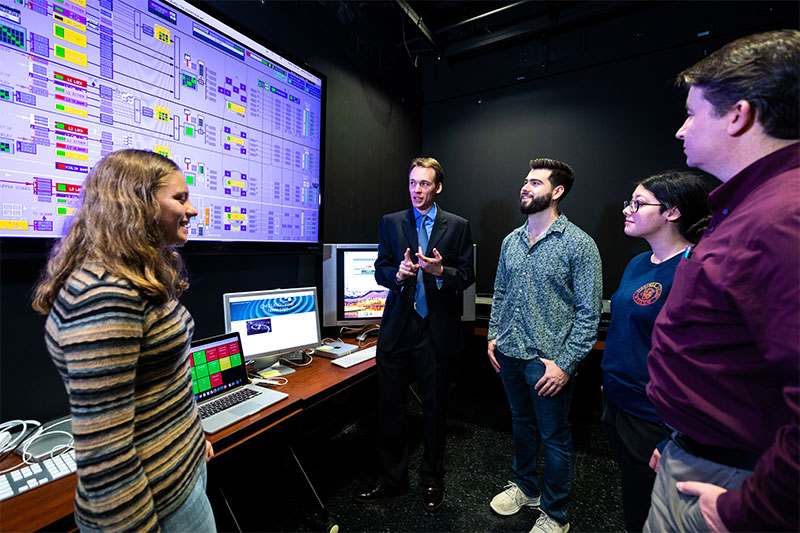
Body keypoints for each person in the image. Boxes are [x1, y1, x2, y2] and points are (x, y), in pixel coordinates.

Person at [644, 29, 799, 532]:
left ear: (738, 114)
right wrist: (681, 440)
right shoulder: (752, 207)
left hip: (733, 481)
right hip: (699, 453)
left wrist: (750, 508)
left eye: (692, 113)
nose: (680, 130)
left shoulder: (782, 219)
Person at [31, 149, 216, 532]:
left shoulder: (133, 275)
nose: (192, 209)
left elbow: (158, 385)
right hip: (154, 504)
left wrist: (192, 439)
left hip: (179, 474)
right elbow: (105, 451)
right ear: (139, 204)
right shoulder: (102, 294)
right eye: (180, 198)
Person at [353, 157, 475, 512]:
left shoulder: (457, 226)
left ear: (438, 187)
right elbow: (380, 269)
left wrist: (440, 272)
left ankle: (432, 477)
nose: (416, 190)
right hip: (397, 328)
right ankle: (393, 478)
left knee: (434, 409)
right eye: (412, 183)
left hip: (435, 329)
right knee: (389, 408)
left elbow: (466, 274)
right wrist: (398, 273)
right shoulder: (392, 223)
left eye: (424, 184)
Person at [488, 158, 602, 533]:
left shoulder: (579, 245)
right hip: (509, 353)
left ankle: (555, 514)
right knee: (521, 424)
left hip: (548, 362)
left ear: (557, 192)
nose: (525, 186)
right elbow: (501, 293)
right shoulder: (511, 240)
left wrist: (565, 365)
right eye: (525, 180)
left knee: (555, 438)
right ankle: (526, 487)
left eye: (535, 182)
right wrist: (493, 335)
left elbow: (589, 315)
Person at [601, 170, 709, 532]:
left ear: (672, 212)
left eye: (638, 203)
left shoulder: (693, 270)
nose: (627, 210)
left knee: (651, 514)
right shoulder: (637, 264)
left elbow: (696, 362)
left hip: (654, 418)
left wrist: (675, 437)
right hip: (618, 403)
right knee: (634, 501)